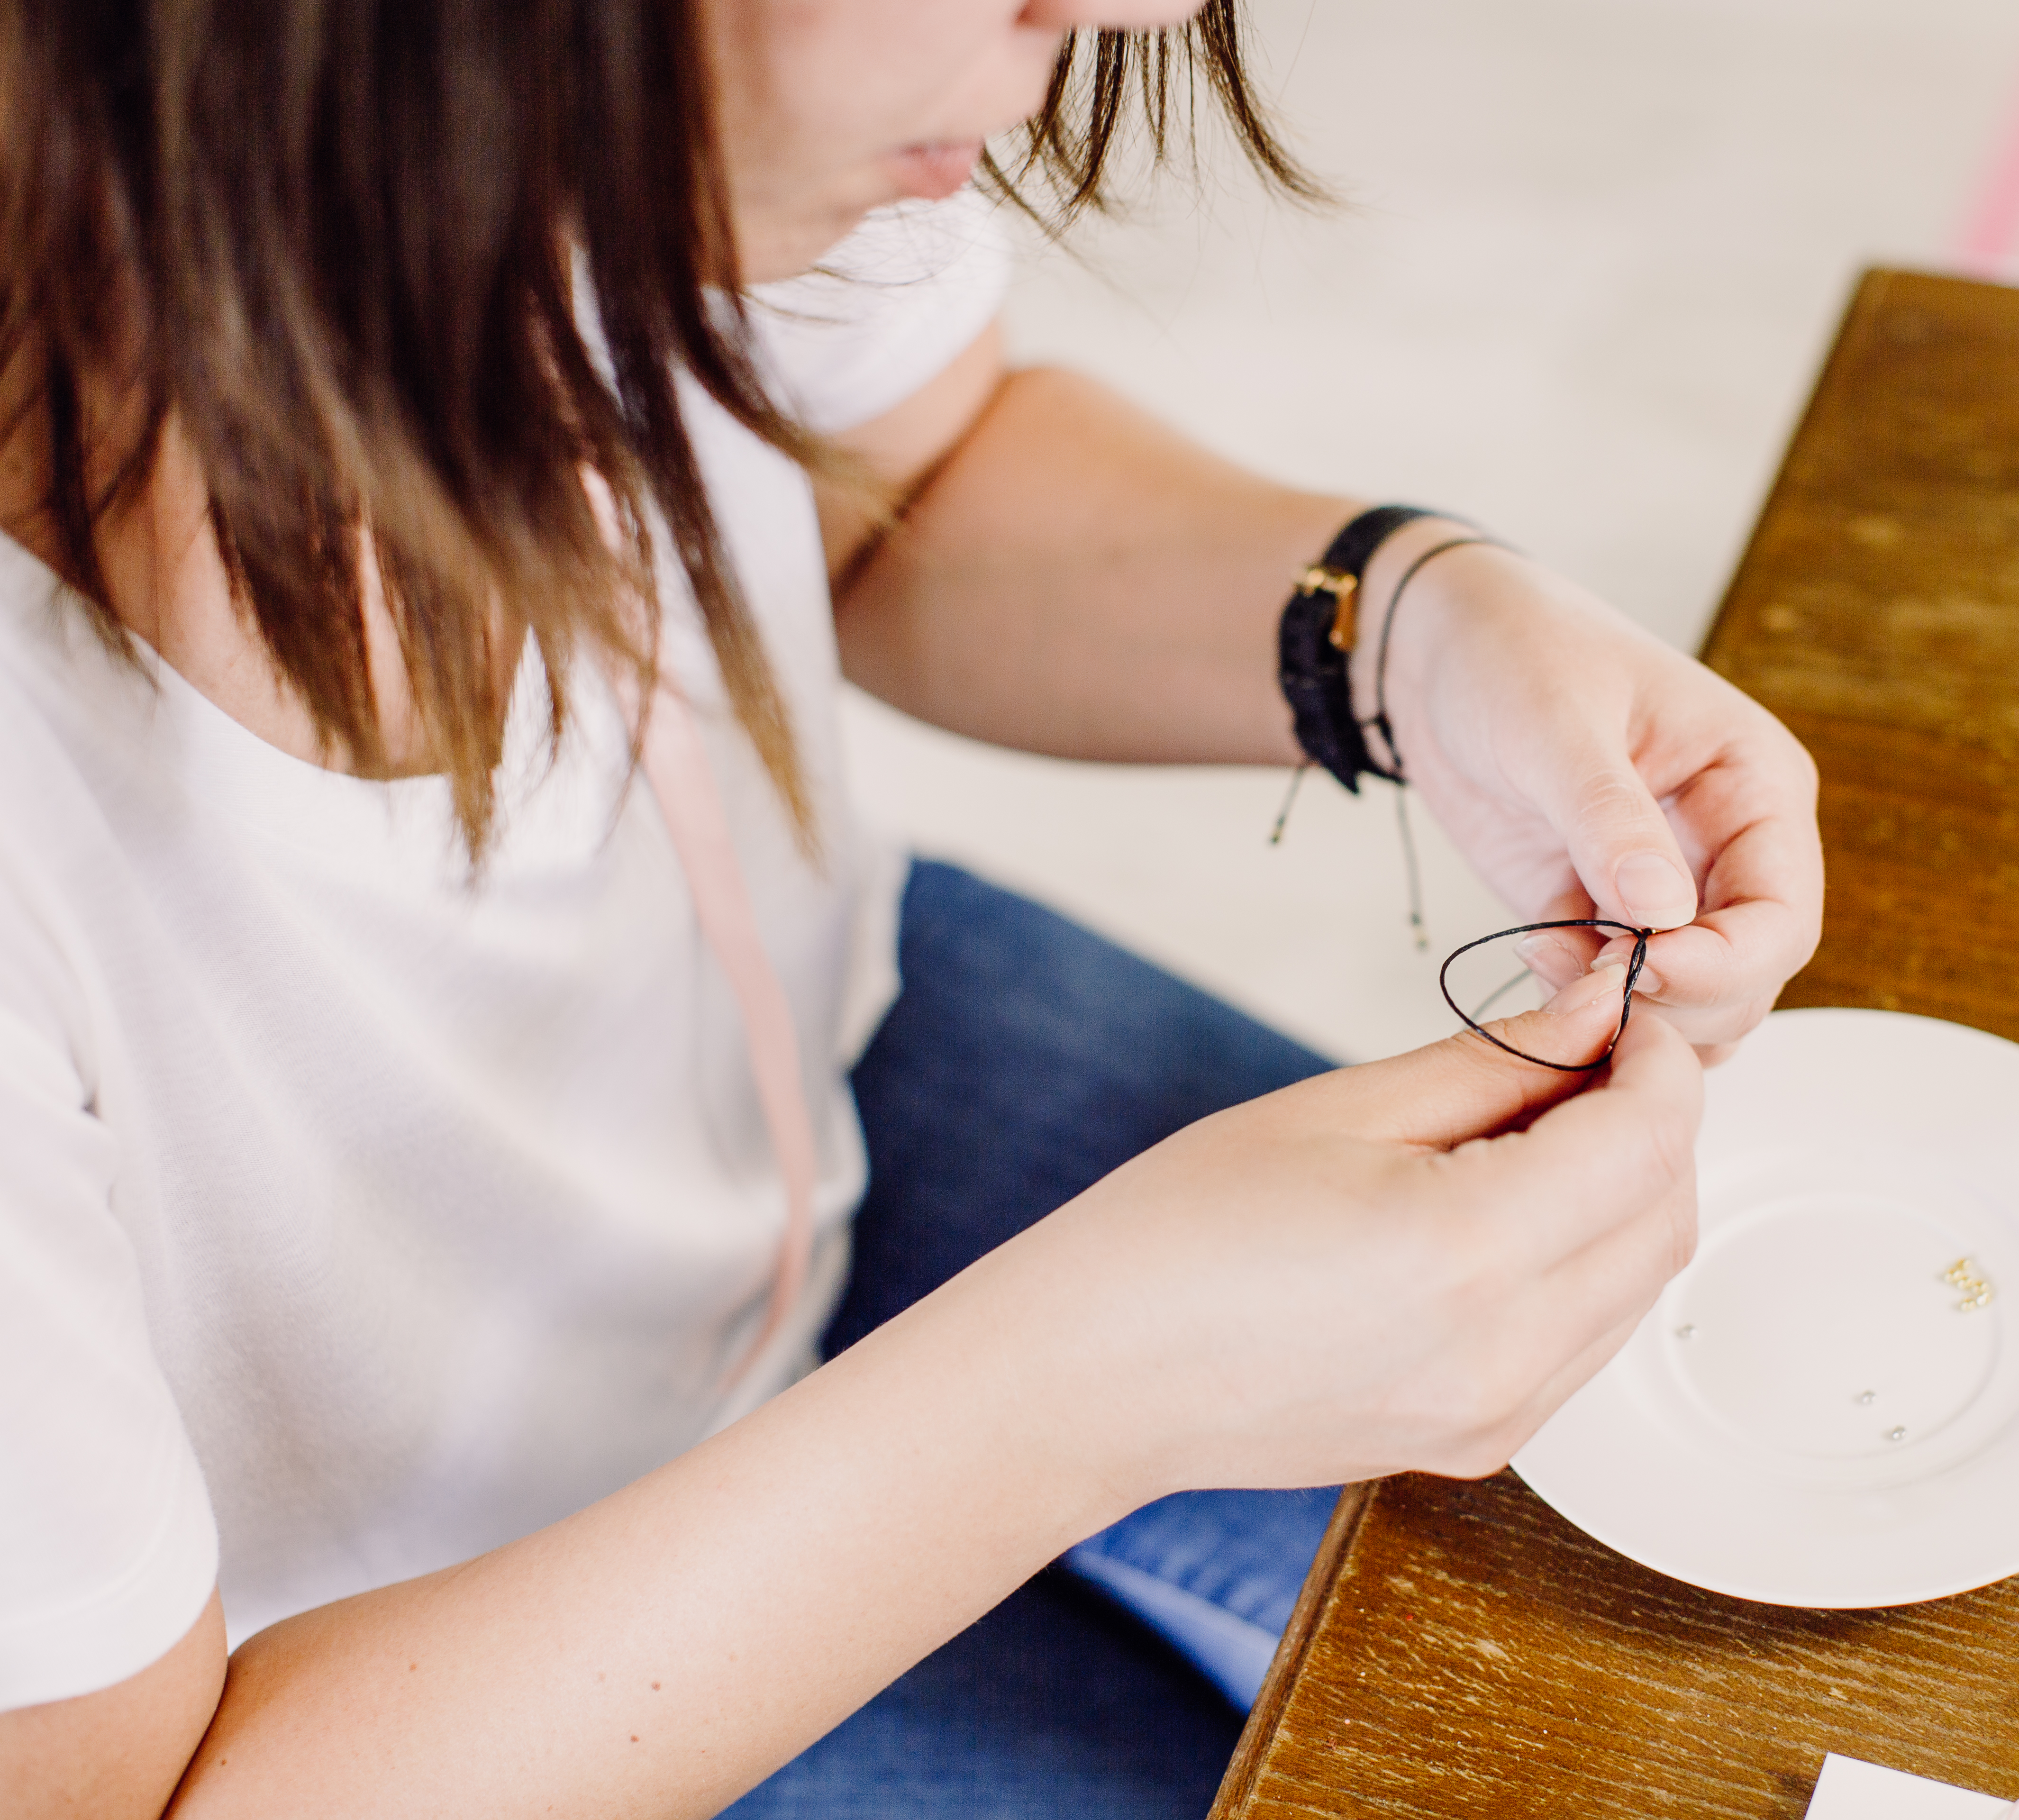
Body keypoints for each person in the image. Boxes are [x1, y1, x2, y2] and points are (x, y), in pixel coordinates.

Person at [0, 1, 1823, 1815]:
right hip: (388, 1688)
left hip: (806, 1074)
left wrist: (1399, 621)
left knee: (1741, 1545)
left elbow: (908, 484)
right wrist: (1099, 1376)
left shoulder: (629, 140)